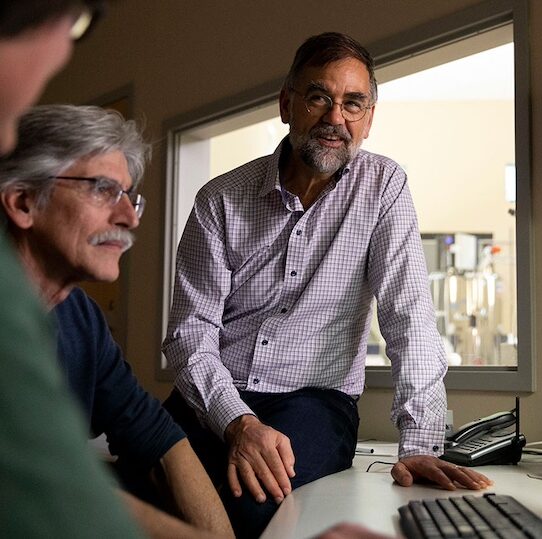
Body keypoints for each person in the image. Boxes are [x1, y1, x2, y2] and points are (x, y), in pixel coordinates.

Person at [162, 31, 492, 538]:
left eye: (353, 103)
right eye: (319, 97)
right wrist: (238, 421)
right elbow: (190, 333)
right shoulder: (220, 199)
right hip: (214, 394)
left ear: (369, 117)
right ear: (286, 103)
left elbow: (408, 316)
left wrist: (420, 443)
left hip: (312, 399)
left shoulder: (383, 187)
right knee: (136, 492)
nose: (336, 118)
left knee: (254, 507)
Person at [0, 103, 237, 537]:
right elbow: (45, 485)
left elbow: (159, 440)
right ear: (23, 201)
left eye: (130, 196)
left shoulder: (81, 317)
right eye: (103, 190)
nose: (128, 218)